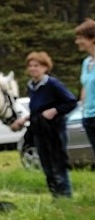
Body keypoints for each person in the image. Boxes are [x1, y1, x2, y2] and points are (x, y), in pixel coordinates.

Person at [11, 51, 77, 198]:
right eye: (31, 66)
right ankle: (55, 196)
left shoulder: (52, 84)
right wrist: (25, 119)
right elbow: (38, 109)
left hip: (55, 130)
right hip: (39, 130)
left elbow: (71, 102)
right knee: (46, 165)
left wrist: (55, 110)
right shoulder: (31, 86)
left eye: (37, 66)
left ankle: (66, 196)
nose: (33, 69)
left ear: (45, 67)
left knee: (58, 163)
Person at [76, 19, 95, 153]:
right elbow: (85, 87)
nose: (77, 42)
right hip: (88, 118)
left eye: (80, 38)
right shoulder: (86, 63)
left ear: (92, 39)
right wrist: (82, 109)